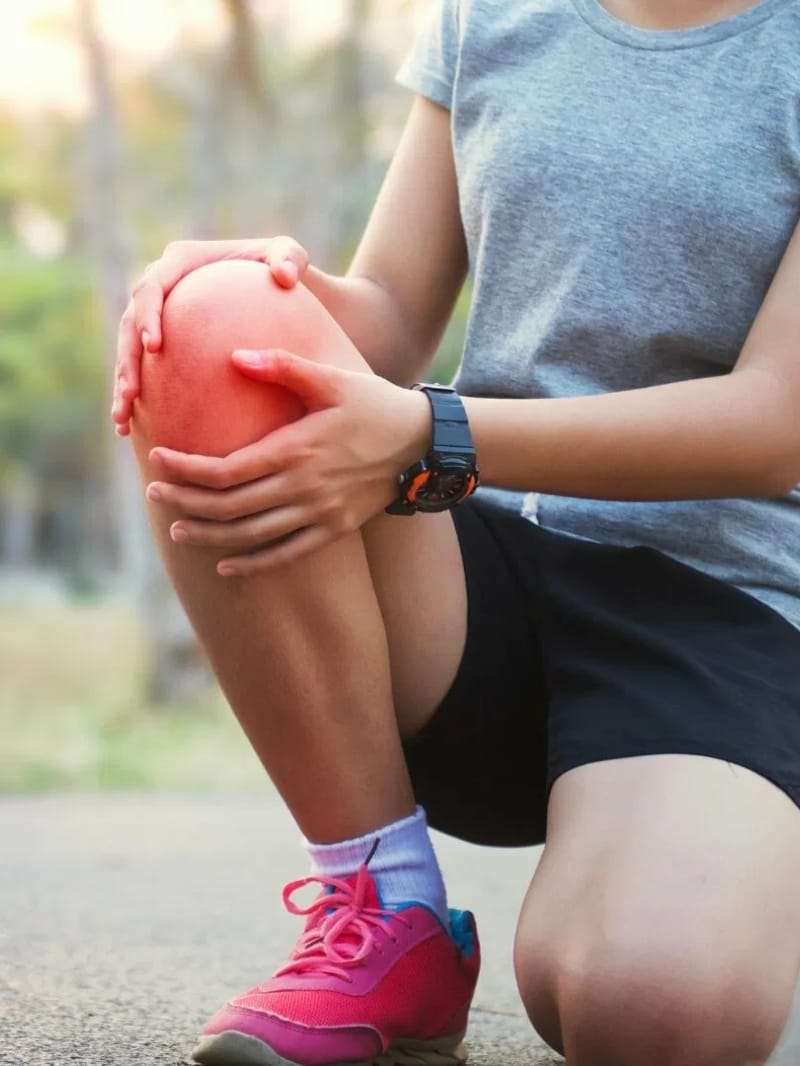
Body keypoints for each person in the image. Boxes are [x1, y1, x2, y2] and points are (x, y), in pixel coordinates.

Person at [111, 0, 800, 1063]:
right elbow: (389, 311)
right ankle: (386, 911)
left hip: (723, 612)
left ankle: (723, 858)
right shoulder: (490, 13)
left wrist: (430, 431)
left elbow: (772, 424)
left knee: (647, 1005)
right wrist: (261, 289)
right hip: (471, 572)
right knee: (213, 322)